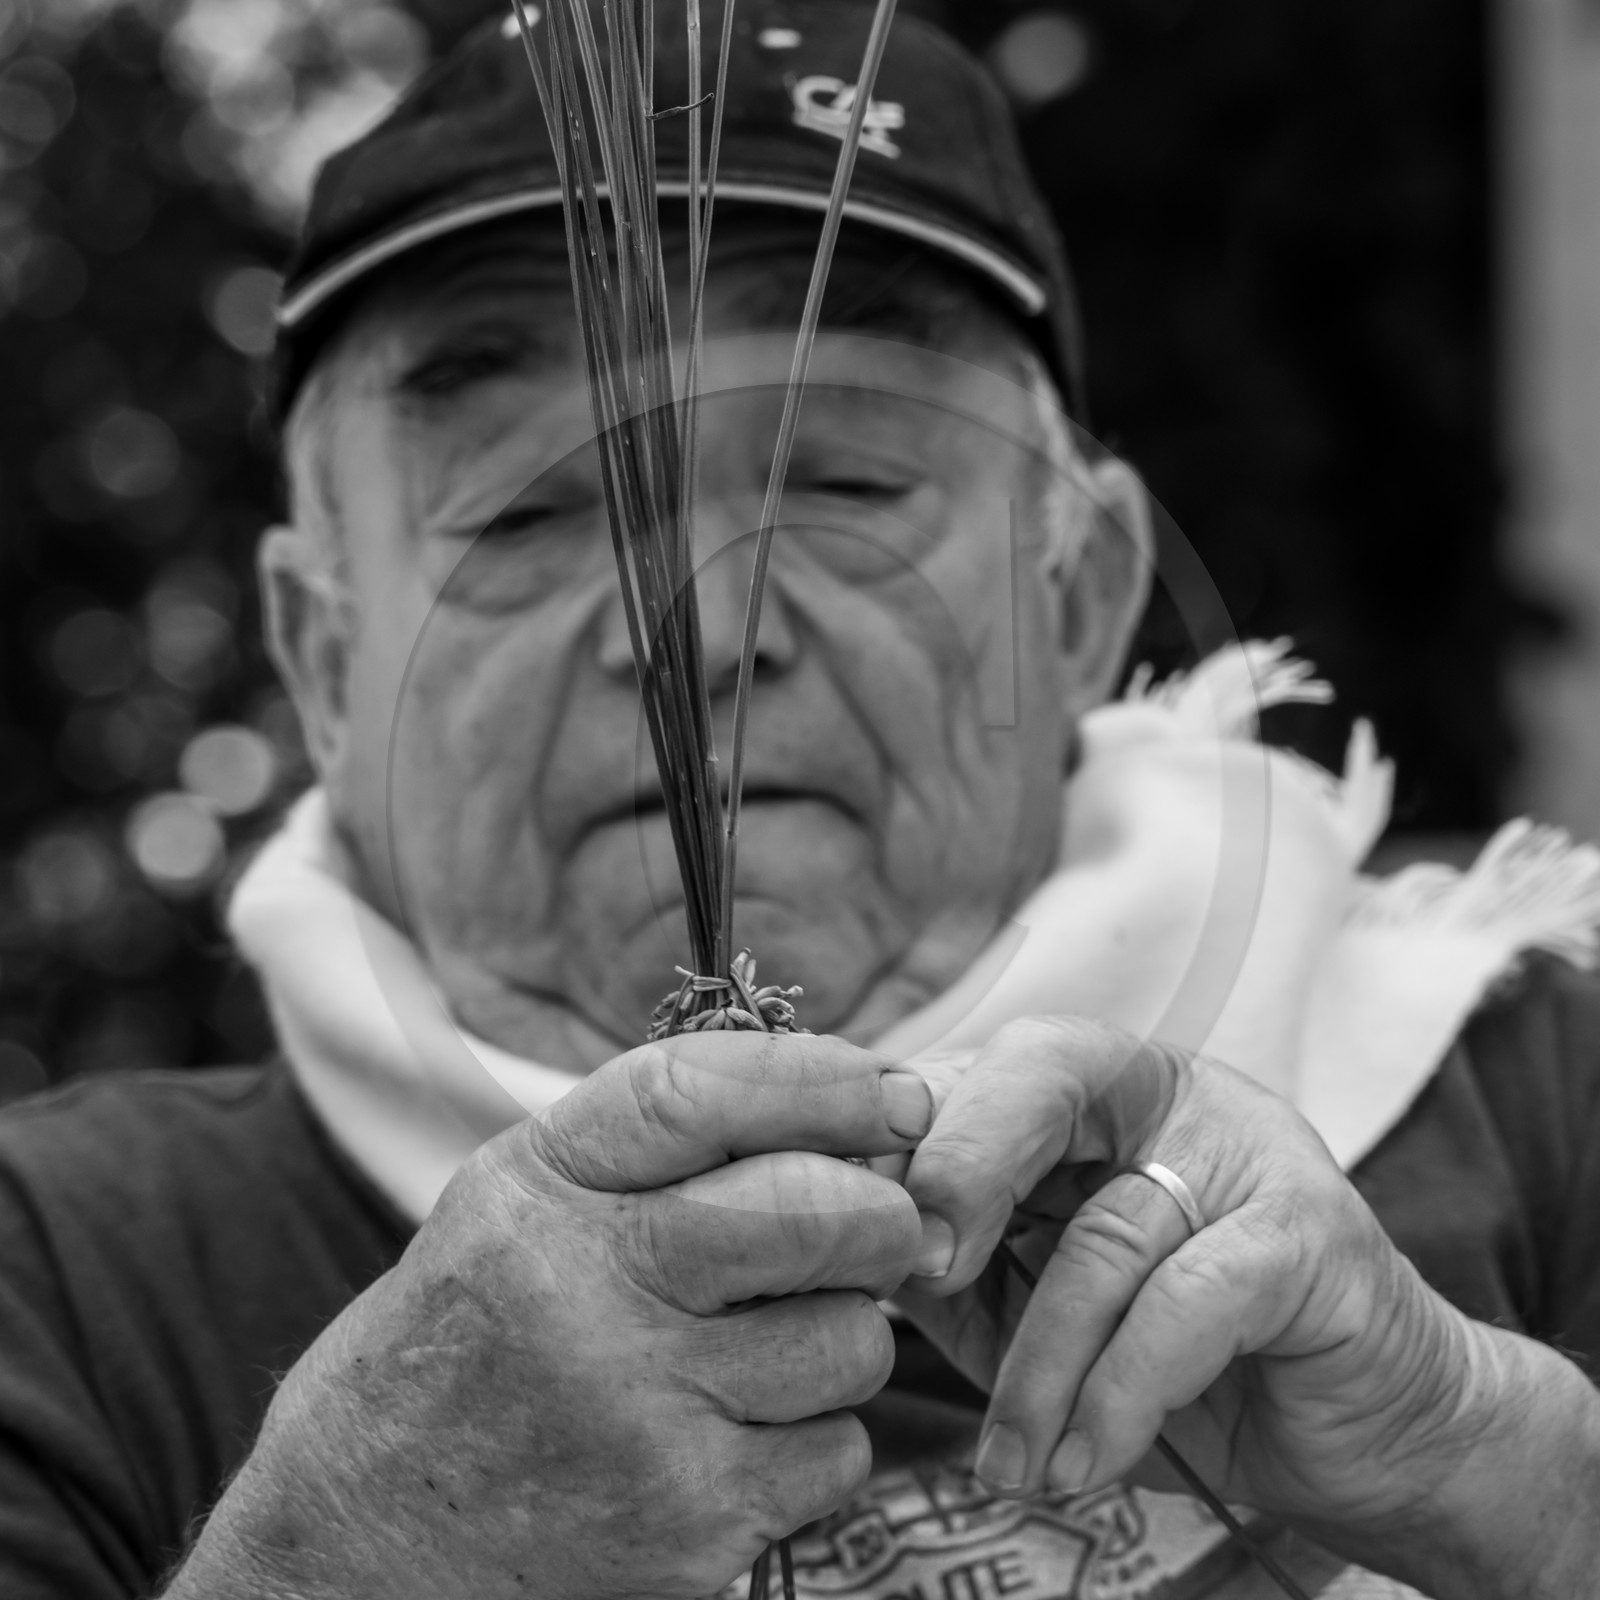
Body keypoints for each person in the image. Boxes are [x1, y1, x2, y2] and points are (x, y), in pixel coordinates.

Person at [4, 7, 1600, 1599]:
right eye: (522, 514)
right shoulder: (63, 1278)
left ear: (1086, 590)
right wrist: (343, 1558)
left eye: (846, 483)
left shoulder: (1543, 1080)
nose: (693, 628)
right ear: (324, 662)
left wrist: (1499, 1469)